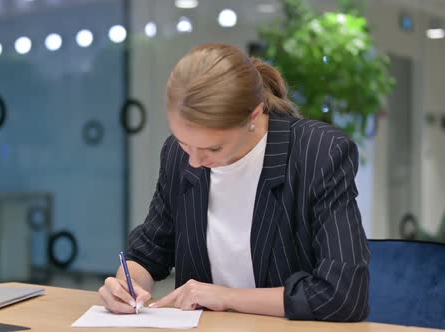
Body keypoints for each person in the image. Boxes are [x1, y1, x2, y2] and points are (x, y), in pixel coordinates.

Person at [98, 43, 369, 322]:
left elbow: (344, 295)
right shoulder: (179, 157)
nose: (194, 161)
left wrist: (225, 296)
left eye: (213, 149)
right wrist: (125, 286)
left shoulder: (317, 153)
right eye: (184, 142)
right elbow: (148, 253)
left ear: (253, 115)